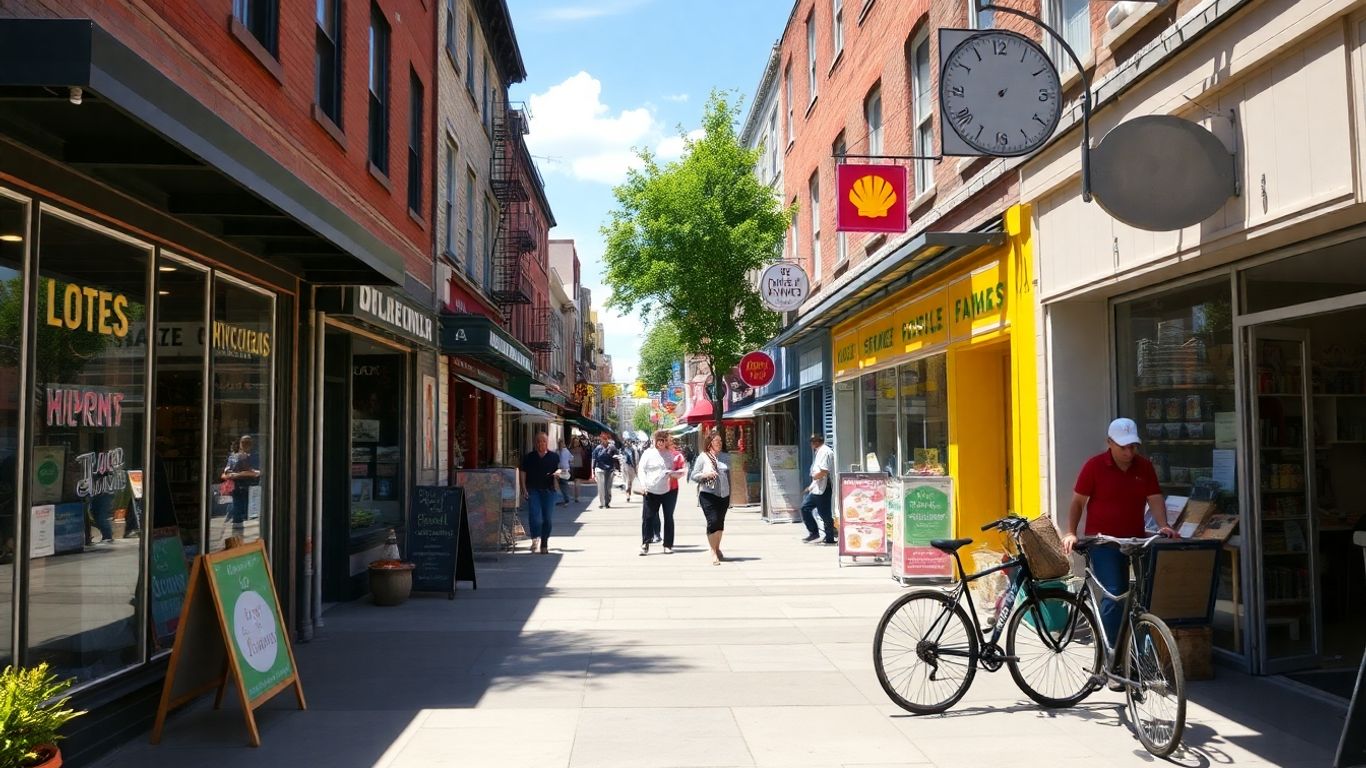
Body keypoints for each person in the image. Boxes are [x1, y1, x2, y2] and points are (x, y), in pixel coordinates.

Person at [1061, 417, 1177, 647]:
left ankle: (1138, 655)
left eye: (1133, 446)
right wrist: (1071, 532)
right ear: (1109, 443)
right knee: (1115, 594)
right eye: (1123, 446)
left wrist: (1164, 525)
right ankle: (1110, 655)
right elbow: (1077, 502)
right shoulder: (1094, 466)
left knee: (1145, 596)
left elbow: (1154, 498)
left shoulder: (1144, 466)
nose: (1129, 452)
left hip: (1135, 540)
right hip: (1103, 542)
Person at [637, 430, 685, 555]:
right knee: (648, 517)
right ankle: (645, 543)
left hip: (667, 490)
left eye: (663, 441)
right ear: (655, 441)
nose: (661, 444)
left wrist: (673, 473)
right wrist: (643, 485)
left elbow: (676, 469)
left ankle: (668, 544)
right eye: (658, 441)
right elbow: (641, 469)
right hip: (651, 490)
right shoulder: (648, 453)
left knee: (668, 517)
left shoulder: (670, 454)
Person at [691, 429, 731, 565]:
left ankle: (717, 548)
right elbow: (693, 475)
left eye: (720, 441)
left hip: (724, 494)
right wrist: (705, 475)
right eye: (716, 441)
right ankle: (713, 552)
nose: (719, 443)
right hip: (708, 494)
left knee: (720, 523)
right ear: (710, 443)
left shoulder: (725, 457)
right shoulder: (703, 457)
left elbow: (728, 476)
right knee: (712, 521)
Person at [519, 432, 561, 554]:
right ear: (534, 443)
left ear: (547, 443)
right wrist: (523, 488)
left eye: (543, 441)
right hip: (533, 490)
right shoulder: (529, 457)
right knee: (534, 517)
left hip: (549, 491)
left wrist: (558, 475)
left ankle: (544, 542)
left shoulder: (554, 457)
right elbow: (523, 472)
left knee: (547, 519)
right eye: (538, 441)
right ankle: (535, 538)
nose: (540, 443)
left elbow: (560, 470)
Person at [221, 434, 261, 538]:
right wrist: (229, 475)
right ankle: (237, 539)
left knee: (252, 518)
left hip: (251, 489)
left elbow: (257, 473)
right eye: (243, 442)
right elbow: (224, 474)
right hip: (236, 490)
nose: (245, 445)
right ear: (239, 444)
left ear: (252, 444)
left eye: (248, 442)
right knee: (236, 516)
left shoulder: (255, 456)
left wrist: (237, 475)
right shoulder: (233, 456)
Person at [800, 433, 836, 544]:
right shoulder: (819, 451)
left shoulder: (825, 451)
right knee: (806, 508)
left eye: (812, 442)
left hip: (824, 487)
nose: (811, 444)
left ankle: (829, 537)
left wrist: (816, 477)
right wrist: (811, 486)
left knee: (824, 513)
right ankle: (815, 533)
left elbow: (824, 471)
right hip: (818, 487)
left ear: (816, 442)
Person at [591, 432, 619, 508]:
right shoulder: (598, 448)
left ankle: (607, 501)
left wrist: (618, 469)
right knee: (601, 487)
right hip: (599, 469)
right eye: (602, 439)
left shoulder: (612, 447)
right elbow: (594, 459)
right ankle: (602, 503)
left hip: (609, 470)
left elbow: (617, 458)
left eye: (605, 439)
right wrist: (593, 471)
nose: (604, 440)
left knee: (608, 487)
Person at [557, 439, 576, 505]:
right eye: (559, 444)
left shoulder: (565, 451)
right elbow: (571, 458)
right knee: (562, 484)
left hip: (565, 469)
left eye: (561, 444)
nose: (560, 445)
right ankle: (566, 498)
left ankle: (567, 498)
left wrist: (570, 464)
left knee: (563, 484)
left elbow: (571, 458)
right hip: (561, 470)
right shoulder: (558, 451)